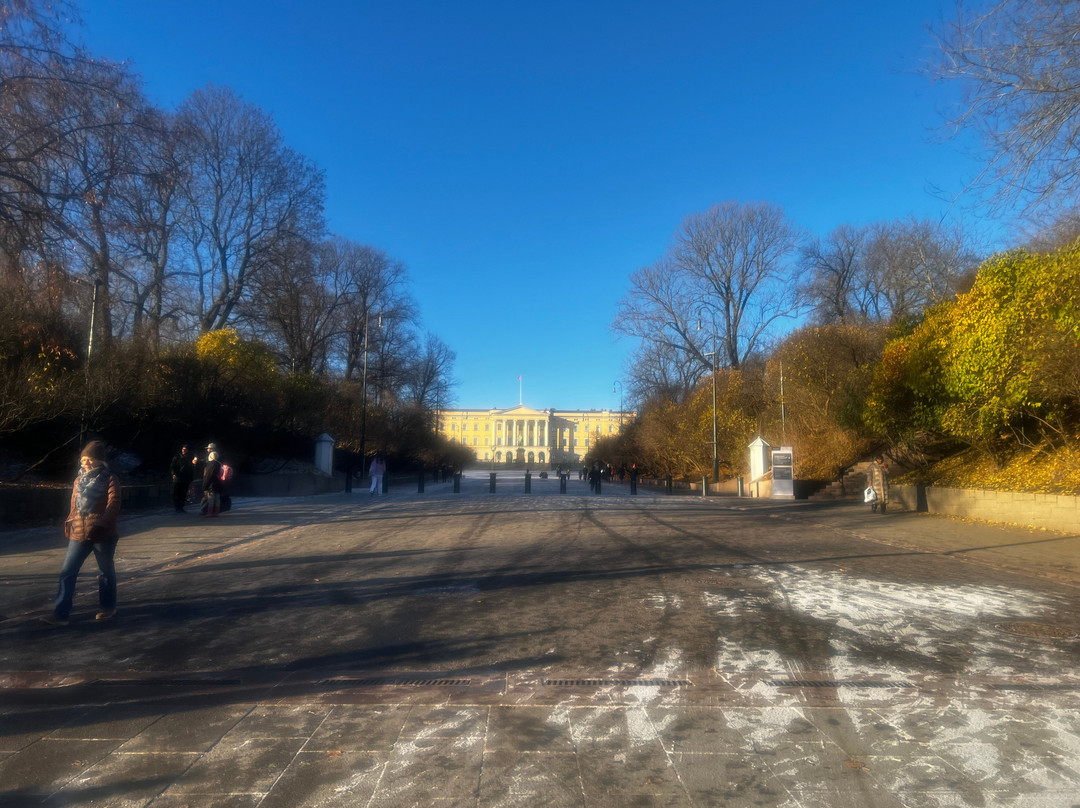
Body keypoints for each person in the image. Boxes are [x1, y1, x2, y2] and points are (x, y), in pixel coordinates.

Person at [41, 441, 122, 626]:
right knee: (67, 572)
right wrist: (70, 522)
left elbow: (114, 504)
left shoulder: (110, 479)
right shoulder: (79, 480)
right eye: (83, 459)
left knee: (105, 573)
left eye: (90, 460)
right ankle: (61, 614)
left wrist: (101, 524)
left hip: (103, 534)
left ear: (99, 462)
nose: (85, 463)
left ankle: (108, 608)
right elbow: (74, 506)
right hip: (79, 533)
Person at [169, 444, 195, 512]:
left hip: (186, 478)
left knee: (183, 493)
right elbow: (172, 466)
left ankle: (181, 506)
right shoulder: (177, 457)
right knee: (177, 493)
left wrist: (191, 478)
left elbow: (191, 468)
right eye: (183, 449)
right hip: (178, 478)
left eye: (185, 449)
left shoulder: (189, 457)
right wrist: (173, 473)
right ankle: (177, 507)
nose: (184, 451)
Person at [201, 443, 224, 517]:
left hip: (212, 485)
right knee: (217, 498)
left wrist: (205, 486)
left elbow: (208, 476)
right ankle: (216, 512)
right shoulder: (219, 463)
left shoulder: (211, 465)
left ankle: (210, 513)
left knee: (211, 499)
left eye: (208, 448)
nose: (207, 449)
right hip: (218, 484)